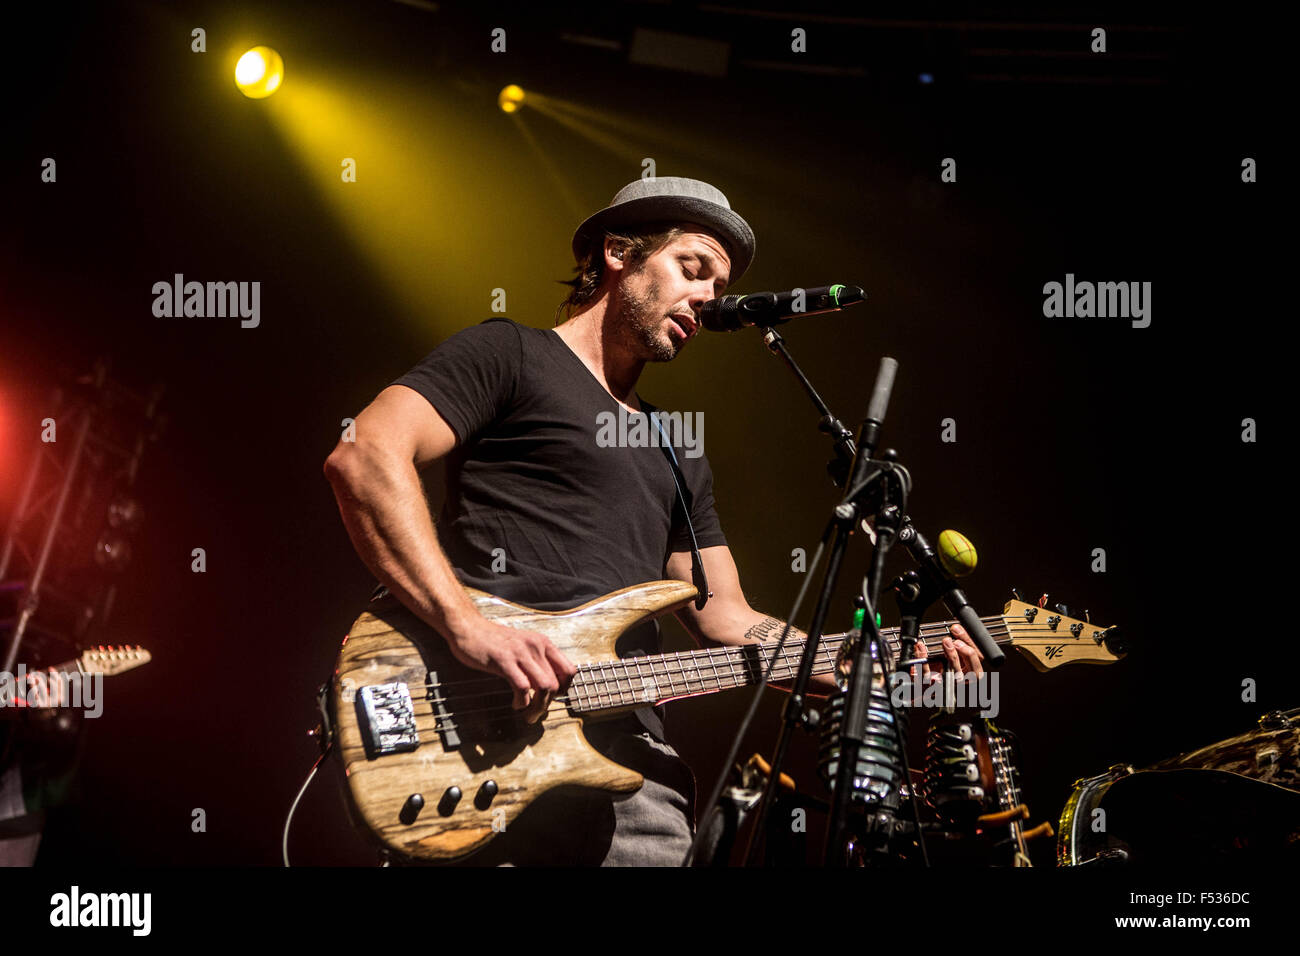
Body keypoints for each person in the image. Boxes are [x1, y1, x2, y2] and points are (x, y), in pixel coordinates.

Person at [323, 176, 984, 865]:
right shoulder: (511, 355)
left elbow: (725, 617)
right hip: (479, 726)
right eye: (692, 269)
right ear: (617, 252)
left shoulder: (676, 446)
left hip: (631, 764)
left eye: (718, 289)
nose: (706, 300)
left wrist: (869, 665)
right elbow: (366, 456)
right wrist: (470, 629)